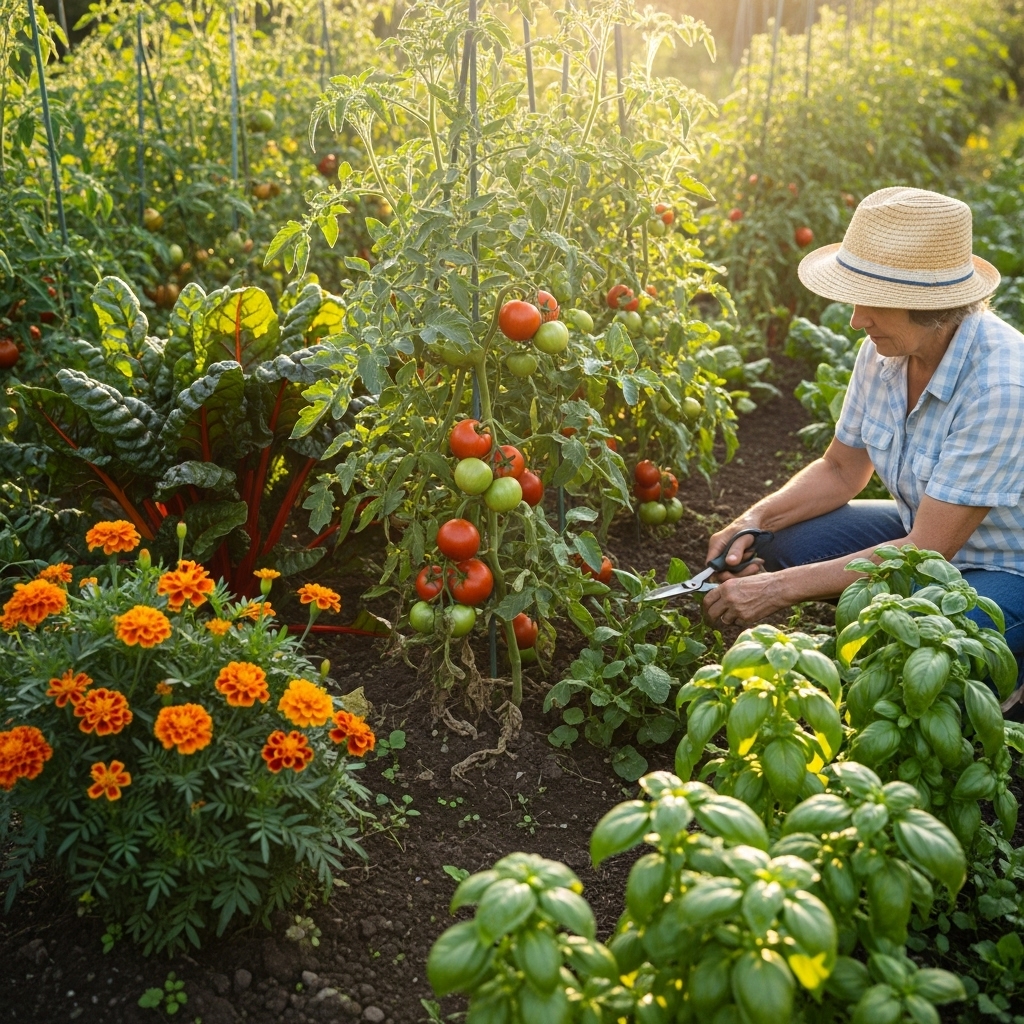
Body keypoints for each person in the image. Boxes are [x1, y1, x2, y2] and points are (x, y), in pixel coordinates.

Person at [701, 186, 1024, 706]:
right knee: (778, 541)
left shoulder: (1002, 386)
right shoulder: (884, 351)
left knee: (925, 654)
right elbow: (840, 469)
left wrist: (778, 589)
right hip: (923, 529)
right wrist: (753, 520)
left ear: (933, 306)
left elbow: (928, 549)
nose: (856, 319)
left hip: (1006, 565)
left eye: (873, 301)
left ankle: (1008, 672)